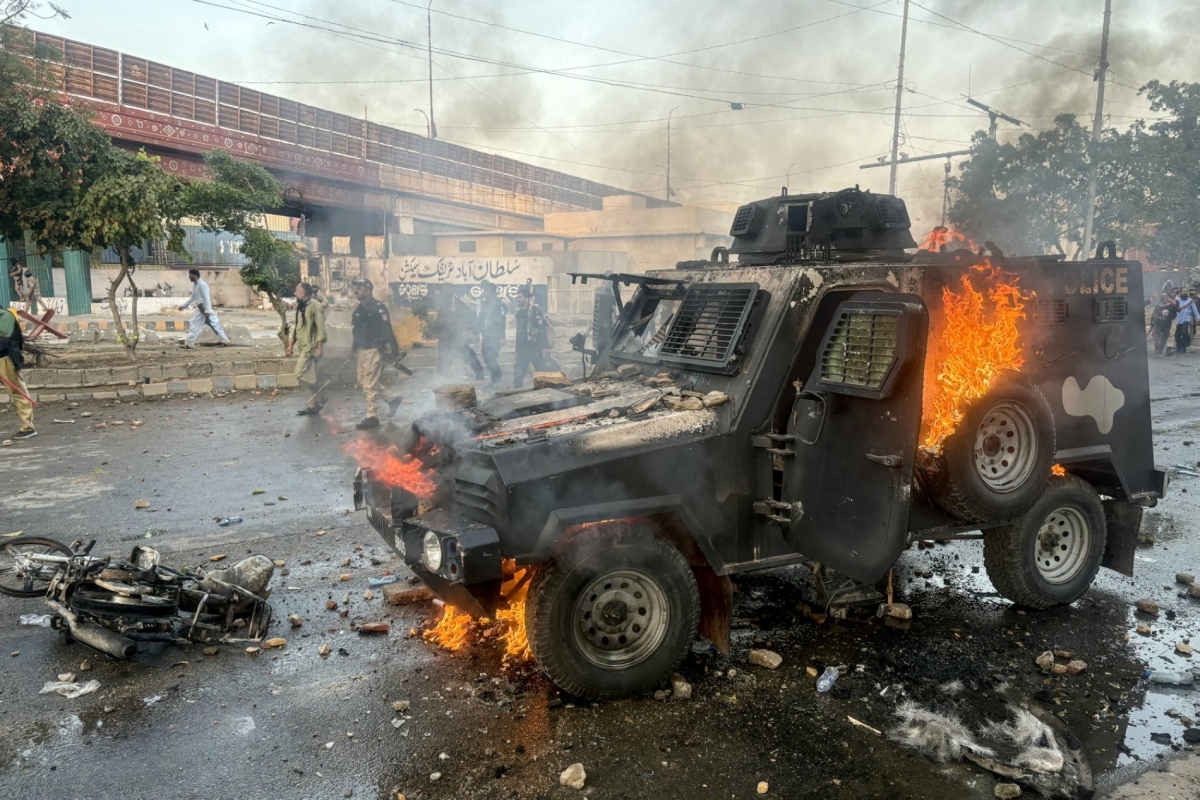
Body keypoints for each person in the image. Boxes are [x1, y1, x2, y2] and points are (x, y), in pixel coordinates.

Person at [350, 279, 403, 430]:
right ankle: (392, 399)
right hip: (362, 350)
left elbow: (387, 329)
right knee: (363, 381)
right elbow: (357, 332)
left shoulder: (377, 307)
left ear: (368, 290)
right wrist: (353, 349)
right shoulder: (359, 309)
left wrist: (394, 349)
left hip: (374, 349)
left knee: (369, 383)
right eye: (356, 287)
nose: (357, 289)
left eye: (360, 287)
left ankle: (372, 416)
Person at [286, 282, 327, 416]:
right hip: (303, 347)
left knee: (299, 373)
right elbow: (298, 328)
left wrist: (320, 348)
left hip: (311, 348)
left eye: (297, 291)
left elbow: (321, 328)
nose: (294, 293)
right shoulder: (301, 307)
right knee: (310, 374)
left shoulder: (315, 306)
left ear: (303, 292)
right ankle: (313, 405)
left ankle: (321, 393)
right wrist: (291, 344)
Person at [0, 306, 35, 439]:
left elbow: (3, 339)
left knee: (17, 392)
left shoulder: (4, 315)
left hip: (6, 358)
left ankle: (28, 427)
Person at [433, 291, 485, 381]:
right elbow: (438, 326)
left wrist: (467, 332)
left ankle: (480, 376)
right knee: (444, 361)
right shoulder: (442, 310)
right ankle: (441, 380)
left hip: (458, 340)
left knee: (470, 357)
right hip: (446, 341)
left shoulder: (461, 307)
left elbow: (468, 321)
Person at [179, 268, 231, 348]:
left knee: (195, 324)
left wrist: (207, 310)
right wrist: (184, 305)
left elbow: (207, 298)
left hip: (203, 309)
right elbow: (193, 297)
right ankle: (225, 340)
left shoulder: (202, 285)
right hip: (201, 308)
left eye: (190, 275)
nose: (189, 277)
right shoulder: (196, 285)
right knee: (214, 324)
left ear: (195, 275)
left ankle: (189, 343)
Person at [512, 285, 552, 388]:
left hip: (535, 348)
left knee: (543, 374)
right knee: (518, 377)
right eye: (517, 297)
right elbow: (519, 334)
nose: (517, 299)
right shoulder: (519, 313)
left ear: (526, 299)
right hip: (522, 350)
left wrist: (546, 347)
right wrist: (516, 350)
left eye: (520, 297)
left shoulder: (535, 311)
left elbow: (542, 330)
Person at [478, 280, 507, 386]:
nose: (484, 292)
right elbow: (481, 319)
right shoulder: (484, 304)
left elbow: (502, 321)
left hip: (495, 335)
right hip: (486, 335)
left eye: (486, 290)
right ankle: (495, 377)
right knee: (486, 356)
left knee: (491, 357)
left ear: (491, 291)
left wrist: (502, 337)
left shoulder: (499, 304)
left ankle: (497, 378)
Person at [1151, 293, 1177, 357]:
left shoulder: (1172, 306)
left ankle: (1159, 351)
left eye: (1166, 298)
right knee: (1156, 337)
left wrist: (1169, 319)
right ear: (1161, 299)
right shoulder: (1158, 306)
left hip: (1167, 324)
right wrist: (1158, 318)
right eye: (1164, 298)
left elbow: (1174, 315)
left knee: (1164, 338)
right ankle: (1156, 349)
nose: (1165, 300)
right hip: (1159, 324)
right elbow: (1154, 315)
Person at [1176, 289, 1196, 355]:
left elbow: (1194, 309)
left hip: (1186, 318)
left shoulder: (1190, 300)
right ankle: (1179, 347)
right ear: (1180, 292)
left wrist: (1198, 317)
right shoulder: (1177, 299)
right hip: (1177, 318)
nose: (1185, 293)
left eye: (1186, 291)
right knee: (1177, 334)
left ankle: (1183, 347)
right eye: (1183, 291)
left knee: (1184, 332)